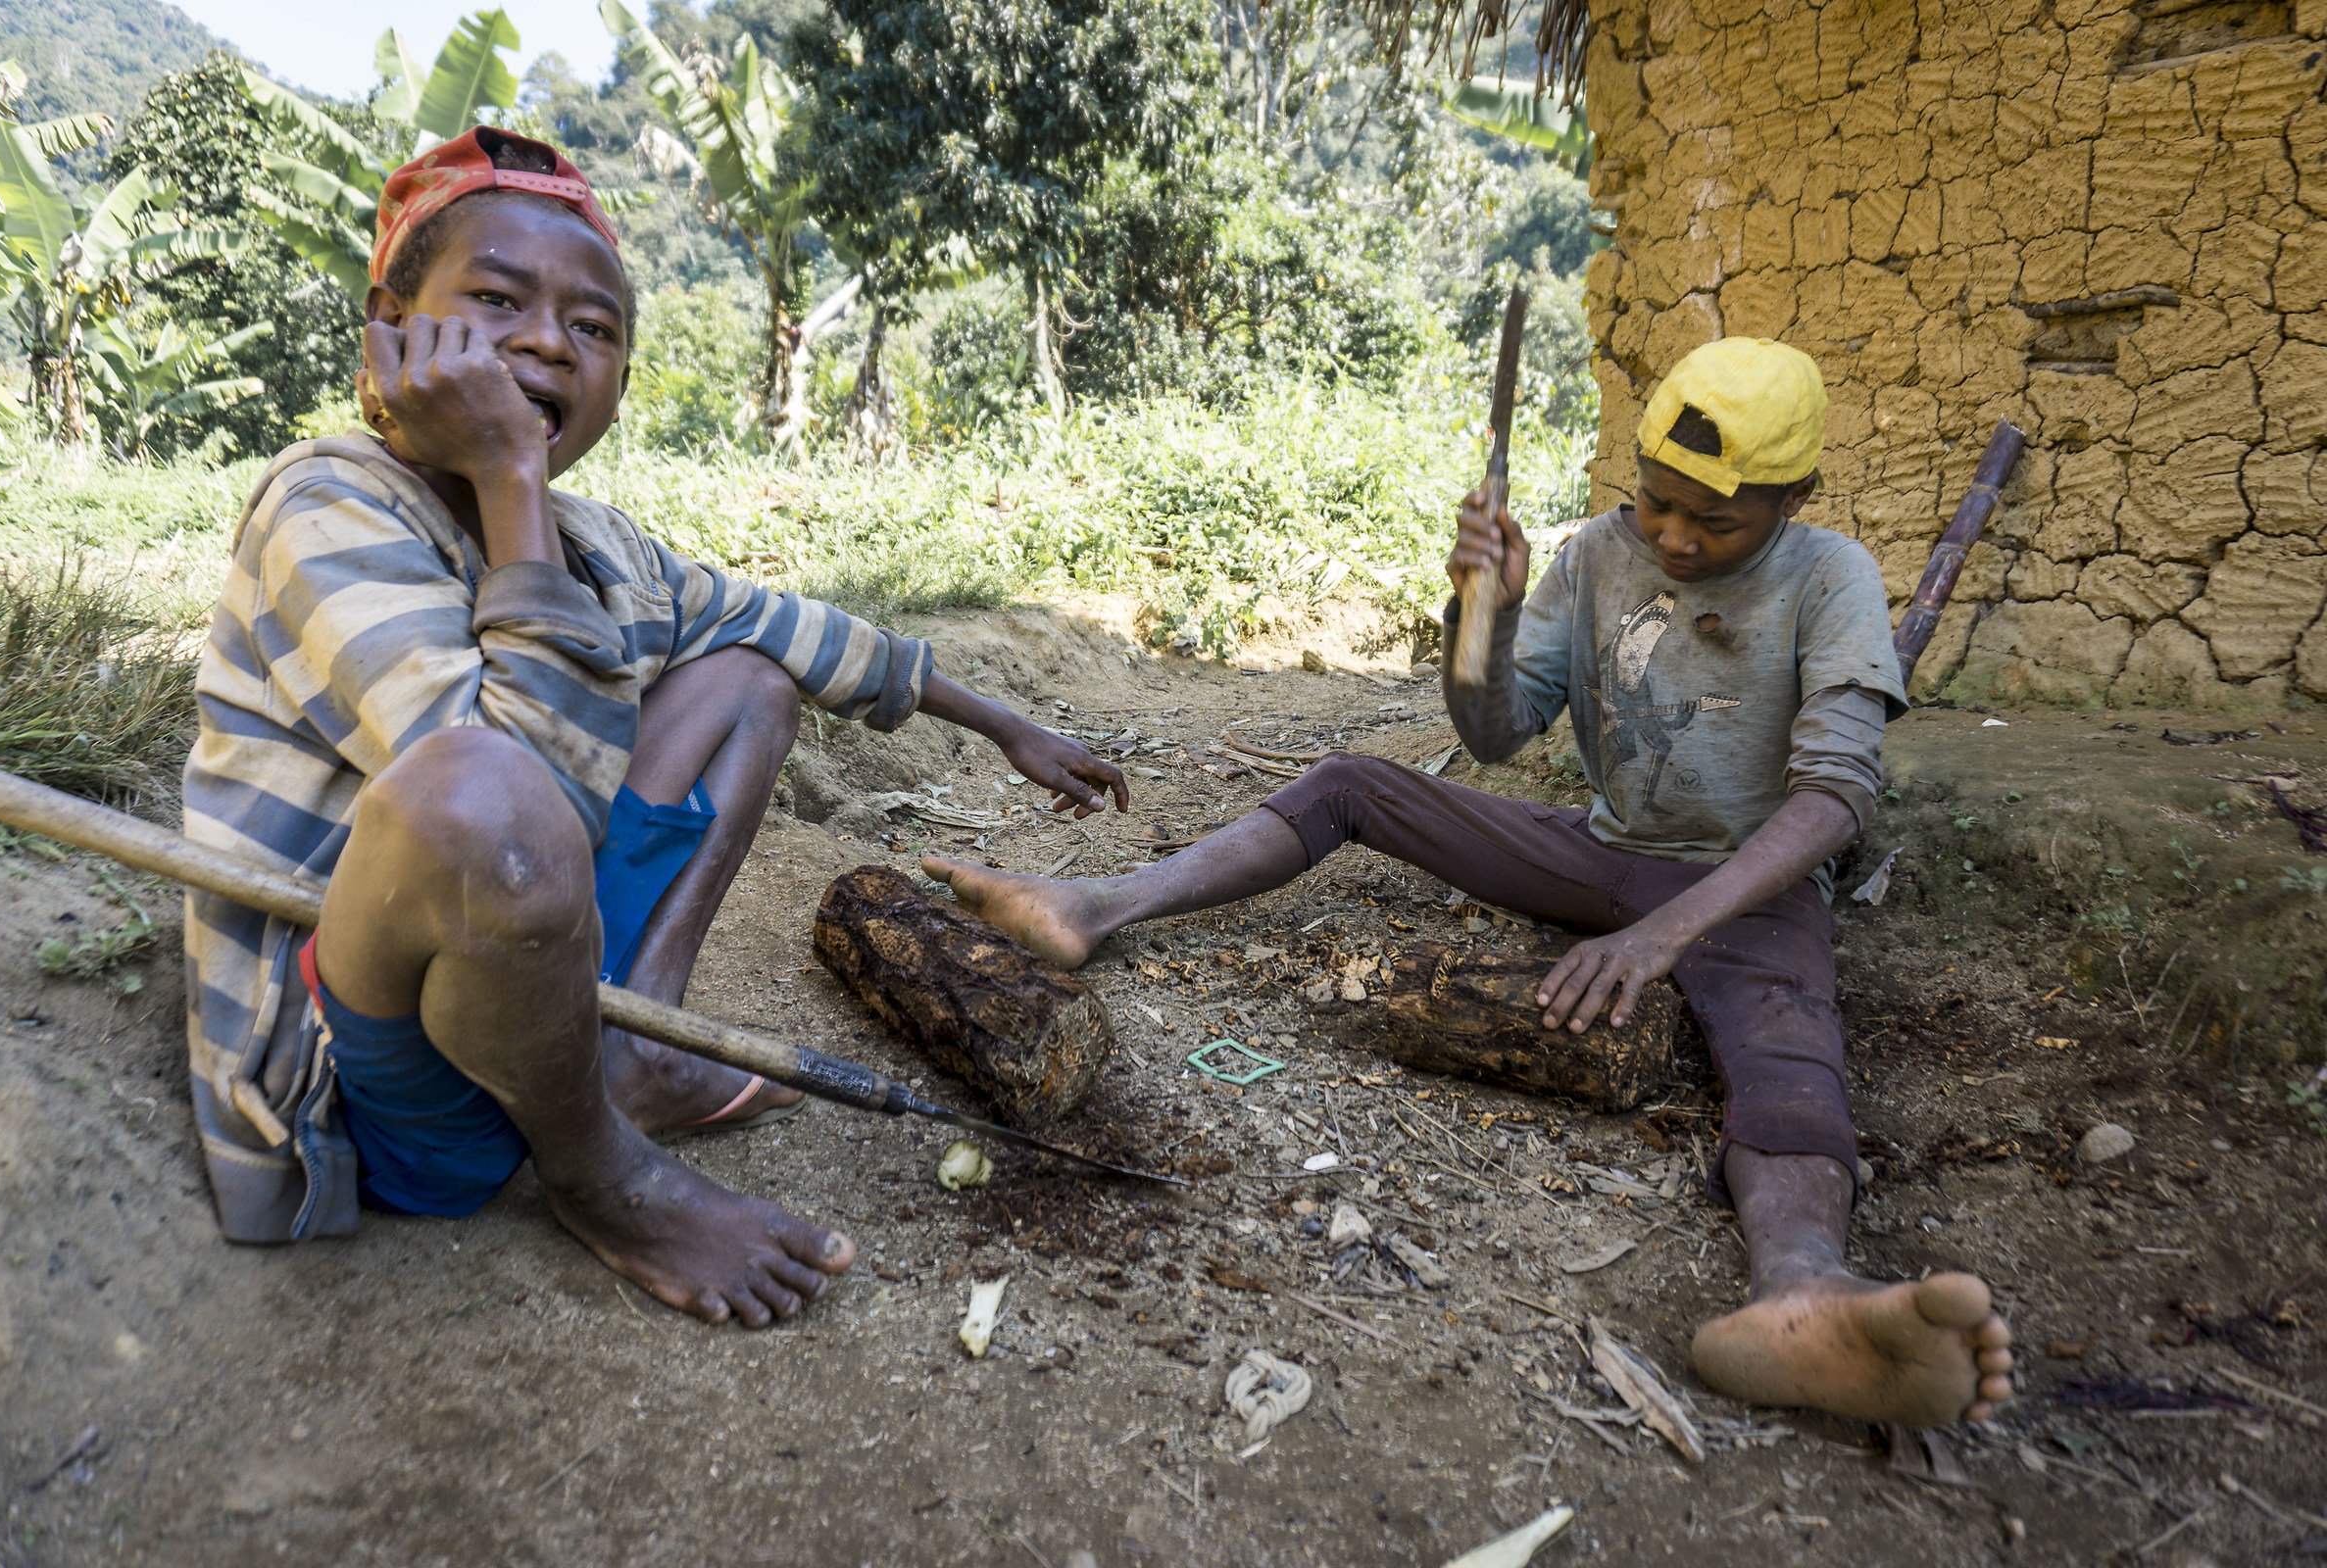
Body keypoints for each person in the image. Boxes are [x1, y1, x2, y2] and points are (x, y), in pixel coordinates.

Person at [925, 337, 2016, 1427]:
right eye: (1658, 504)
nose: (1677, 537)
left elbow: (1834, 800)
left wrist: (1660, 937)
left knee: (1789, 1056)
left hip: (1746, 890)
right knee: (1354, 783)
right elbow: (1494, 733)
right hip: (1595, 852)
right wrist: (1477, 614)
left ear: (1796, 497)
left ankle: (1806, 1291)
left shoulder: (1831, 579)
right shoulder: (1596, 555)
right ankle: (1096, 903)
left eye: (1716, 522)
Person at [182, 127, 1126, 1328]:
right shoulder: (326, 506)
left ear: (622, 377)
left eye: (593, 326)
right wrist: (511, 477)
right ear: (392, 324)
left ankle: (639, 1054)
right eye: (496, 300)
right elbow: (508, 808)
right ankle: (603, 1175)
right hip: (376, 1085)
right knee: (479, 794)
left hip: (521, 1001)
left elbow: (800, 630)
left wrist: (1004, 724)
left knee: (747, 677)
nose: (544, 341)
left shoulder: (604, 548)